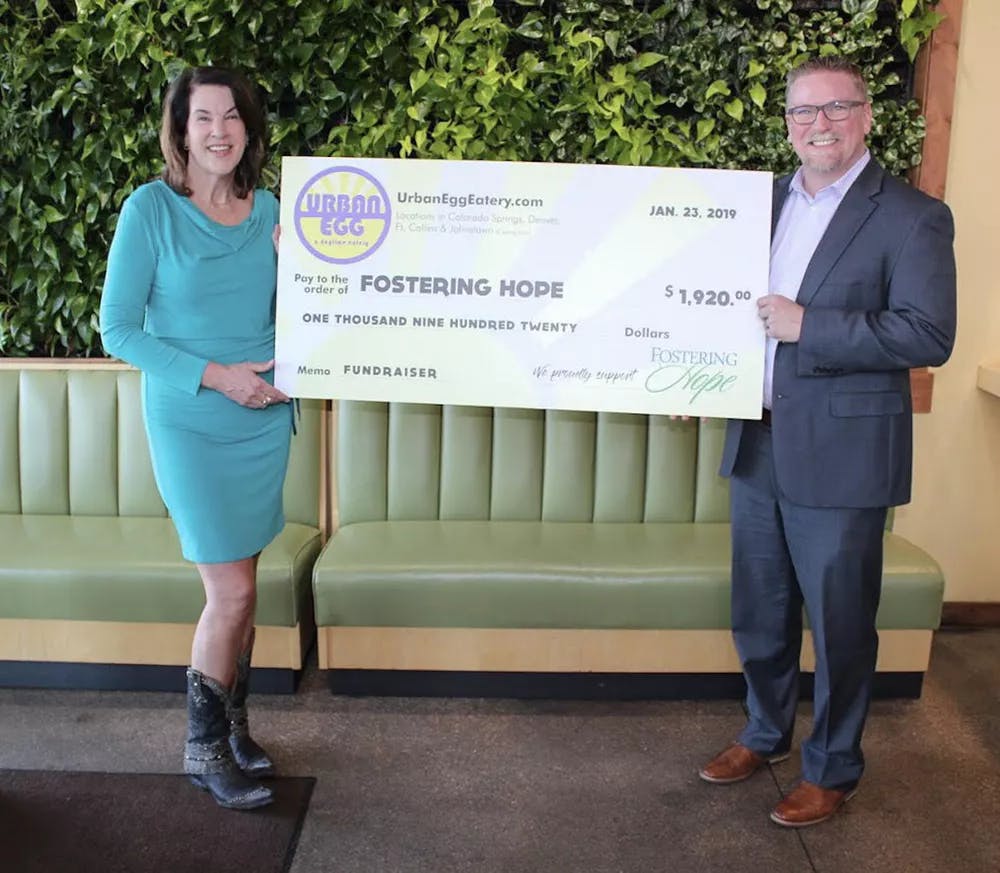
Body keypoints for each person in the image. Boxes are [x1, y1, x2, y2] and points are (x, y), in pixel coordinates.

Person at [699, 56, 956, 827]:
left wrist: (812, 325)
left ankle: (834, 767)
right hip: (759, 443)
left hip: (844, 460)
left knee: (841, 624)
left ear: (867, 116)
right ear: (786, 124)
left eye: (835, 108)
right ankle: (764, 732)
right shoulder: (759, 205)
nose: (818, 125)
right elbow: (720, 313)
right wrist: (690, 377)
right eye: (802, 113)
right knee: (760, 610)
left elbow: (928, 332)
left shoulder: (913, 216)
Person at [100, 66, 292, 811]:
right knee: (233, 590)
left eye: (232, 116)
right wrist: (220, 376)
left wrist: (306, 264)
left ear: (249, 128)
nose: (218, 130)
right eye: (202, 118)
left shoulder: (272, 206)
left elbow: (302, 310)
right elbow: (118, 329)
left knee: (244, 593)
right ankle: (203, 747)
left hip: (264, 416)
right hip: (193, 417)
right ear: (180, 131)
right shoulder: (149, 209)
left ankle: (236, 726)